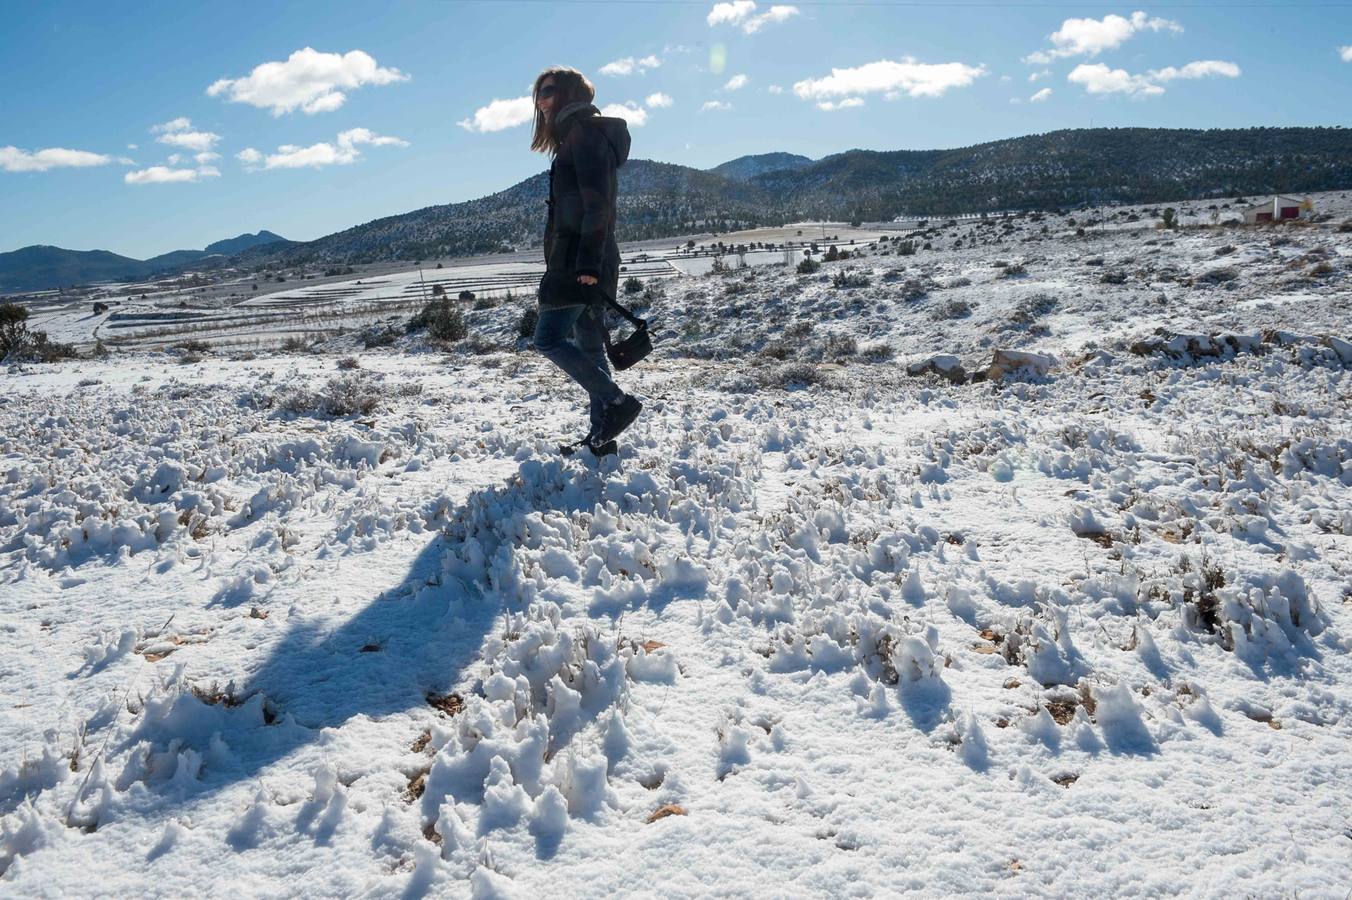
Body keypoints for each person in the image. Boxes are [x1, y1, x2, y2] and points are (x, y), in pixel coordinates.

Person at [530, 66, 641, 454]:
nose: (540, 101)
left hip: (580, 262)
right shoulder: (575, 137)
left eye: (546, 91)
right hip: (582, 259)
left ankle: (616, 402)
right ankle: (601, 439)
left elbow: (599, 207)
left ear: (567, 94)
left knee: (547, 338)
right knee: (591, 347)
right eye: (539, 94)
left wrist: (589, 266)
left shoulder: (586, 134)